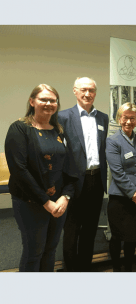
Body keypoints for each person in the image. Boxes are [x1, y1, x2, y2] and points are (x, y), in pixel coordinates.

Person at [5, 84, 77, 272]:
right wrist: (46, 202)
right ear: (32, 101)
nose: (49, 103)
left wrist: (65, 196)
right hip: (31, 202)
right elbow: (19, 170)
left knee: (50, 250)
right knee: (33, 252)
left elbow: (70, 166)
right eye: (43, 99)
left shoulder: (58, 130)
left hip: (59, 202)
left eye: (53, 100)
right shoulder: (19, 129)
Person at [58, 77, 108, 272]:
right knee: (71, 228)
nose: (88, 94)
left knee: (90, 227)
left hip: (96, 180)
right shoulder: (62, 117)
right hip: (73, 180)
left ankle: (85, 267)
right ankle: (71, 269)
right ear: (75, 91)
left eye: (91, 90)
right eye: (83, 90)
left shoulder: (103, 117)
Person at [106, 102, 136, 272]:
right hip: (120, 198)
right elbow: (117, 172)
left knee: (133, 236)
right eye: (125, 117)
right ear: (119, 119)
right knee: (117, 236)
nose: (129, 121)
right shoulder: (112, 141)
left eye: (133, 118)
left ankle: (128, 268)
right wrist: (134, 194)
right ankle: (117, 269)